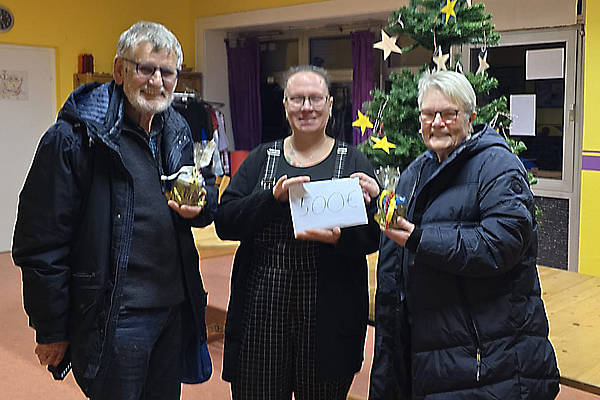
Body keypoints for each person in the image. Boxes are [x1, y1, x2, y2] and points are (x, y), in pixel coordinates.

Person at [12, 21, 217, 400]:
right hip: (115, 315)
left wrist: (200, 208)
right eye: (146, 68)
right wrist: (51, 328)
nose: (157, 80)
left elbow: (204, 197)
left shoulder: (176, 129)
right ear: (120, 70)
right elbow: (40, 242)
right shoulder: (74, 137)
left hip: (172, 309)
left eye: (167, 71)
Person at [369, 70, 560, 399]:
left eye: (449, 113)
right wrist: (380, 202)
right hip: (431, 355)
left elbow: (499, 246)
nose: (437, 122)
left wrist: (419, 238)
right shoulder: (415, 172)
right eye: (429, 114)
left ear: (471, 117)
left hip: (487, 364)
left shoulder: (499, 166)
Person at [215, 65, 381, 400]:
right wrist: (271, 198)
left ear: (330, 105)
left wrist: (342, 235)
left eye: (315, 98)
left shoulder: (353, 161)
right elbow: (225, 221)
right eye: (297, 99)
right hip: (261, 314)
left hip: (329, 319)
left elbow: (371, 239)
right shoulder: (262, 158)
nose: (307, 107)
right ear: (286, 106)